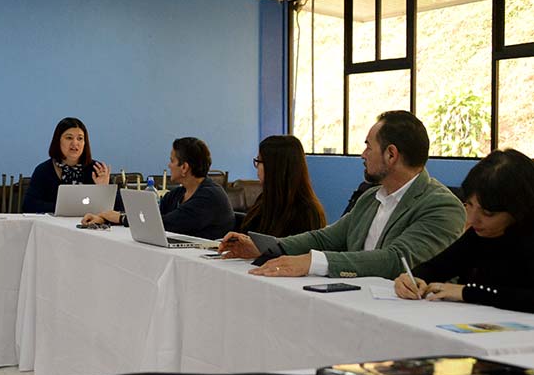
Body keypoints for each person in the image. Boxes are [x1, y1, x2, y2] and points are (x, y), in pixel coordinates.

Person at [220, 111, 465, 279]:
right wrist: (268, 248)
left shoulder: (441, 206)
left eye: (369, 146)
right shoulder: (371, 198)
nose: (363, 154)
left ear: (391, 155)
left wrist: (311, 263)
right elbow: (325, 239)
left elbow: (394, 260)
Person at [394, 149, 534, 311]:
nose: (472, 219)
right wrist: (412, 279)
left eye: (488, 213)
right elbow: (436, 267)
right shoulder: (479, 234)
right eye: (468, 205)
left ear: (519, 210)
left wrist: (468, 292)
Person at [83, 137, 234, 240]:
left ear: (184, 167)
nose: (168, 165)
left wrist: (121, 218)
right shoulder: (179, 193)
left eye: (172, 161)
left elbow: (164, 223)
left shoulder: (209, 196)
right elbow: (148, 214)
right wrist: (104, 218)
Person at [239, 135, 326, 237]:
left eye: (259, 161)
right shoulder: (264, 200)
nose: (257, 167)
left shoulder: (306, 213)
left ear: (274, 167)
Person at [22, 117, 111, 213]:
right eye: (69, 138)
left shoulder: (96, 169)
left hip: (89, 224)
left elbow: (120, 208)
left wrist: (104, 189)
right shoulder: (43, 170)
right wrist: (64, 207)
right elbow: (29, 205)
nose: (75, 143)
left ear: (85, 143)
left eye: (80, 138)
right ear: (58, 141)